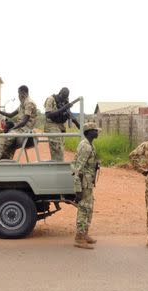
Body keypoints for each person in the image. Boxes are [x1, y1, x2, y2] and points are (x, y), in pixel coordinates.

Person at [73, 122, 101, 250]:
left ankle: (85, 234)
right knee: (84, 209)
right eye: (95, 130)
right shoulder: (86, 147)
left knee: (88, 208)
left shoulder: (89, 144)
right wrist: (78, 189)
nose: (97, 132)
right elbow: (78, 170)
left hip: (88, 182)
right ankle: (79, 238)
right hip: (84, 183)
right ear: (89, 132)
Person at [0, 85, 37, 160]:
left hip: (24, 130)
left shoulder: (29, 103)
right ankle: (4, 159)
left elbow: (24, 121)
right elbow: (10, 115)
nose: (18, 96)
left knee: (3, 138)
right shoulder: (22, 104)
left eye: (19, 93)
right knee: (1, 140)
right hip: (19, 129)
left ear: (23, 93)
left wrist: (12, 129)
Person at [44, 87, 81, 161]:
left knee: (60, 148)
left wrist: (80, 127)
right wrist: (64, 108)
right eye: (63, 97)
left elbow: (69, 114)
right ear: (59, 93)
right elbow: (48, 114)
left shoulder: (65, 101)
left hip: (61, 126)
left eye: (65, 97)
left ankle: (58, 165)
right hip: (51, 124)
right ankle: (58, 167)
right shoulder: (51, 99)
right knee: (57, 147)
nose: (63, 99)